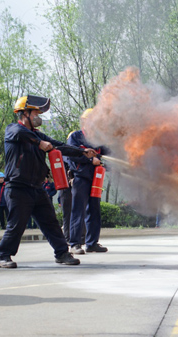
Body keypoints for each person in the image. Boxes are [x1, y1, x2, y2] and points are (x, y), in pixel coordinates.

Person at [0, 94, 95, 268]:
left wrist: (82, 152)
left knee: (51, 223)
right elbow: (21, 133)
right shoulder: (12, 130)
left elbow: (59, 146)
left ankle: (62, 253)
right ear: (24, 113)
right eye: (36, 113)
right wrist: (39, 143)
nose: (39, 116)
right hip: (18, 188)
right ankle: (3, 256)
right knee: (16, 225)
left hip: (36, 188)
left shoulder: (38, 135)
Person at [67, 108, 110, 254]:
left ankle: (92, 243)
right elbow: (70, 155)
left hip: (95, 180)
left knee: (94, 211)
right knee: (78, 211)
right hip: (80, 178)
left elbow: (107, 156)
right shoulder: (75, 137)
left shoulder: (98, 140)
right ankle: (74, 244)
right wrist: (91, 160)